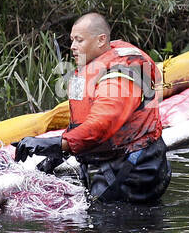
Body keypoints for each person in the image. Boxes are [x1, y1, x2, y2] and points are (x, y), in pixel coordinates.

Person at [14, 13, 171, 203]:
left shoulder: (119, 77)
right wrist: (53, 157)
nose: (72, 47)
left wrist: (53, 143)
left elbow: (100, 126)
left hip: (137, 168)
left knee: (110, 223)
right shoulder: (92, 66)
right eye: (72, 40)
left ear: (101, 40)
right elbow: (82, 123)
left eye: (79, 40)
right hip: (112, 161)